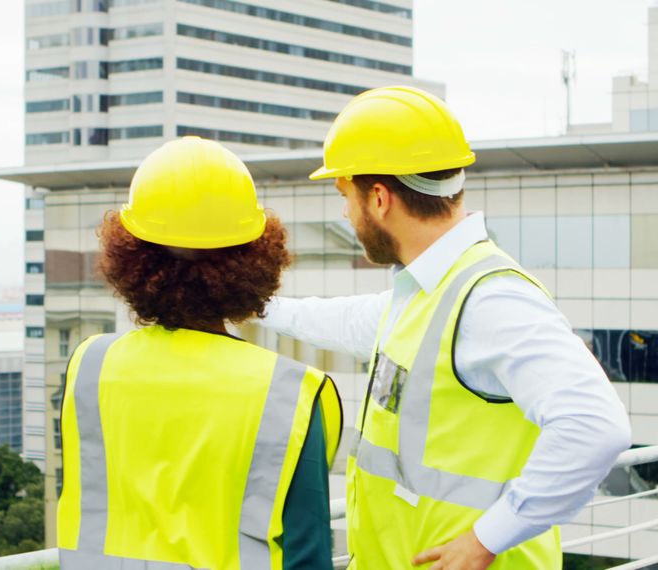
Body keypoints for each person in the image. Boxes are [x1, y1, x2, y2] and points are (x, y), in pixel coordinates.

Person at [259, 86, 632, 569]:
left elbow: (596, 426)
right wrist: (256, 305)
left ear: (378, 198)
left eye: (344, 195)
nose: (345, 214)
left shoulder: (491, 299)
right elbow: (348, 321)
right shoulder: (426, 291)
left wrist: (485, 540)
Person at [56, 137, 343, 569]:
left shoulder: (90, 365)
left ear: (131, 257)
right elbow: (308, 553)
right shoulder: (290, 394)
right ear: (255, 260)